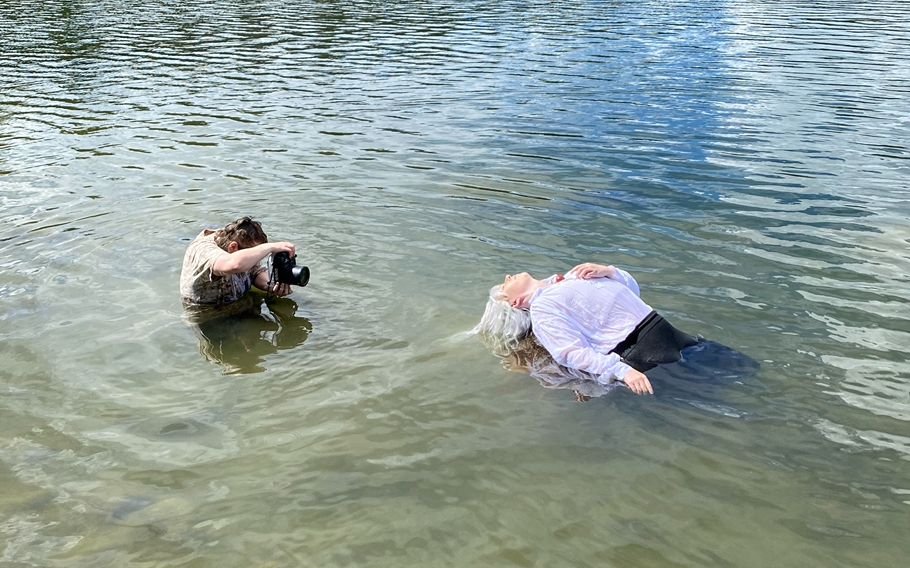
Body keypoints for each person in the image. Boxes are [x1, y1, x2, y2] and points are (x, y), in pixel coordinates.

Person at [474, 262, 698, 395]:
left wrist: (609, 271)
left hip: (670, 332)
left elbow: (631, 292)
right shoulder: (542, 309)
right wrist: (622, 371)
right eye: (505, 285)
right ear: (515, 303)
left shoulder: (572, 277)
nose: (507, 277)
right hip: (647, 354)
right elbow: (570, 352)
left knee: (731, 365)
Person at [179, 216, 296, 306]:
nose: (255, 261)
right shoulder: (203, 250)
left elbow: (254, 271)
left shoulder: (242, 242)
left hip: (241, 304)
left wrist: (270, 285)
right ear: (233, 247)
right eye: (254, 252)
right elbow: (234, 264)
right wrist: (269, 247)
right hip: (207, 315)